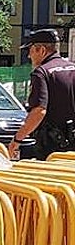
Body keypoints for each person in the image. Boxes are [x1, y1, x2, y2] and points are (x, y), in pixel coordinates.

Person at [11, 29, 75, 160]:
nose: (29, 56)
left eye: (30, 50)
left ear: (41, 50)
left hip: (53, 145)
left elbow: (39, 111)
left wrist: (17, 140)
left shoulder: (42, 73)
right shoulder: (72, 68)